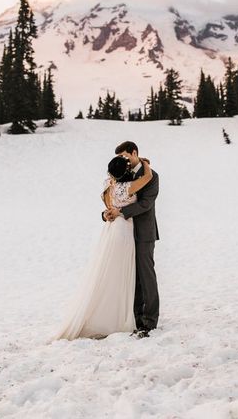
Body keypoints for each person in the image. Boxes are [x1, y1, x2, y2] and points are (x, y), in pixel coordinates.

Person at [52, 154, 153, 340]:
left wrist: (109, 213)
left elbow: (108, 207)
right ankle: (118, 316)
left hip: (110, 230)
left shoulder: (109, 185)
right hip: (124, 232)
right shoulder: (127, 188)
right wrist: (145, 163)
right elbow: (147, 178)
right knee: (122, 275)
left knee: (107, 272)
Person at [104, 141, 160, 338]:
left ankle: (150, 320)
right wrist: (108, 213)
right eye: (120, 158)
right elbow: (112, 198)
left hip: (144, 233)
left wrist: (121, 212)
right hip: (124, 235)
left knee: (146, 276)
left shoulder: (152, 176)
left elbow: (145, 204)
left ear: (134, 152)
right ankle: (136, 318)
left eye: (125, 157)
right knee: (132, 277)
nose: (123, 161)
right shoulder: (122, 175)